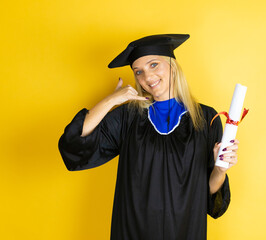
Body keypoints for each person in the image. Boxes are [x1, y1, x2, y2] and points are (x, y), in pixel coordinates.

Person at [58, 34, 239, 240]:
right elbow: (75, 143)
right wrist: (111, 101)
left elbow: (208, 195)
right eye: (139, 72)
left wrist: (219, 169)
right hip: (134, 230)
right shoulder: (129, 116)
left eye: (154, 64)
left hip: (185, 230)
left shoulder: (205, 118)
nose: (147, 76)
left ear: (172, 66)